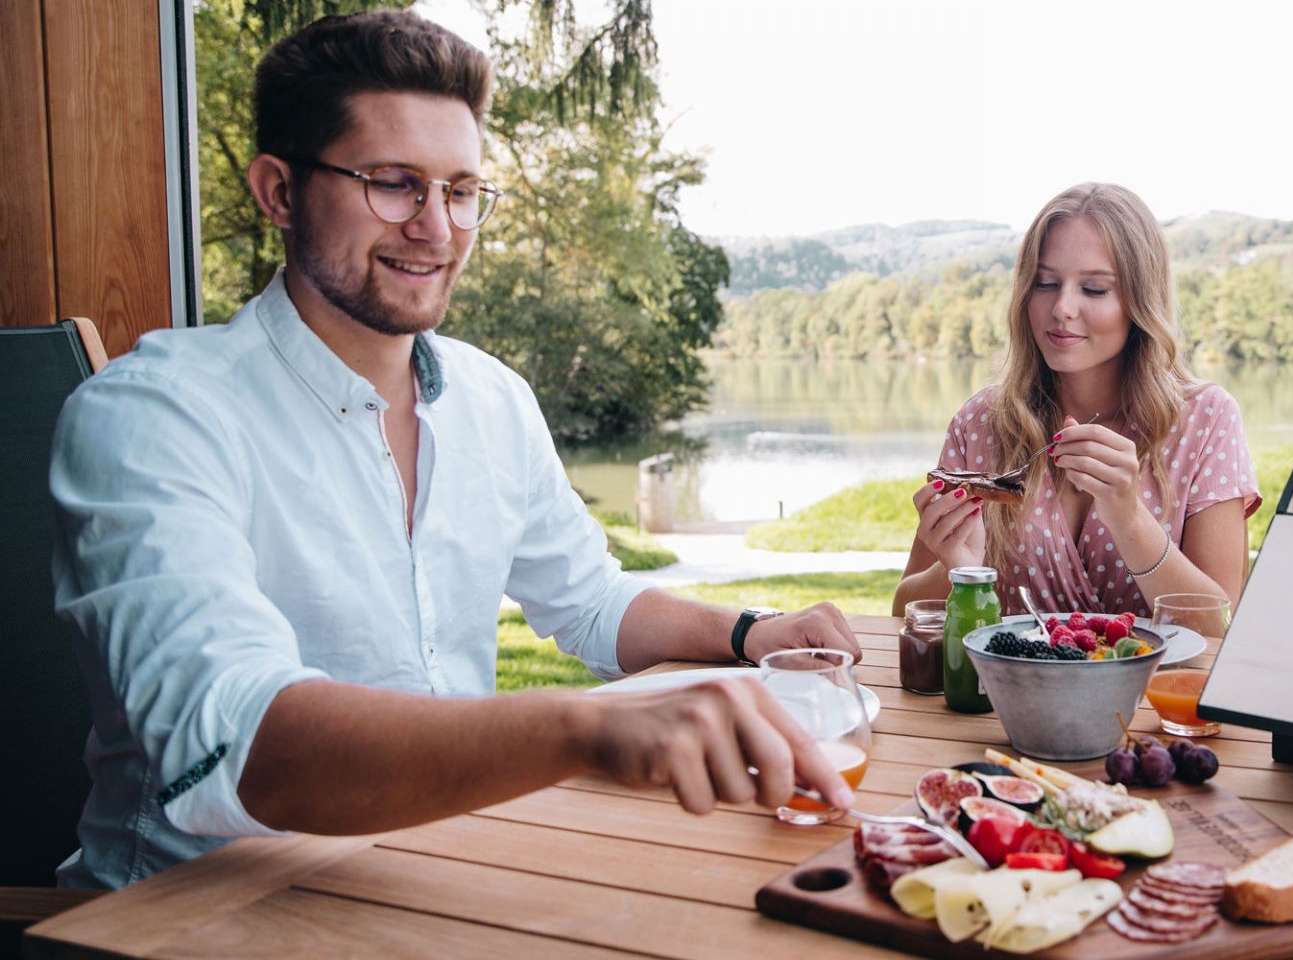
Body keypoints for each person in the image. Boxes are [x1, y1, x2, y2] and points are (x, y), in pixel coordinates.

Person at [48, 10, 858, 890]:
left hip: (439, 875)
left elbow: (588, 600)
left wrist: (748, 633)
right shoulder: (151, 415)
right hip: (199, 916)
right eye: (393, 183)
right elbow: (236, 745)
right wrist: (581, 730)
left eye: (461, 189)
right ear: (278, 192)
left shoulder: (491, 398)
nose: (437, 229)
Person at [893, 183, 1262, 620]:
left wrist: (1129, 519)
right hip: (1011, 690)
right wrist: (960, 571)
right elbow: (904, 613)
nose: (1062, 308)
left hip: (1154, 690)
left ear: (1139, 300)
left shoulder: (1206, 418)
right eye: (1046, 283)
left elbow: (1217, 625)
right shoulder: (981, 422)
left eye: (1094, 289)